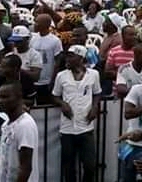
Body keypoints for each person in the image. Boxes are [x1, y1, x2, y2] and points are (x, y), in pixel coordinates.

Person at [52, 45, 102, 182]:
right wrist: (63, 104)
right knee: (68, 167)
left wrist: (95, 107)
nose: (67, 59)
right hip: (68, 128)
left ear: (80, 58)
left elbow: (97, 93)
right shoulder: (61, 76)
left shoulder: (94, 75)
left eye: (71, 56)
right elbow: (55, 95)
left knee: (90, 165)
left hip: (86, 127)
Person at [0, 82, 39, 182]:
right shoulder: (6, 124)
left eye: (5, 97)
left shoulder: (25, 125)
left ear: (19, 98)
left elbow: (26, 168)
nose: (0, 101)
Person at [30, 13, 63, 104]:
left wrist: (52, 80)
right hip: (34, 80)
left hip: (47, 80)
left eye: (37, 22)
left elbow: (57, 62)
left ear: (45, 24)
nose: (35, 24)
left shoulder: (55, 40)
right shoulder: (33, 38)